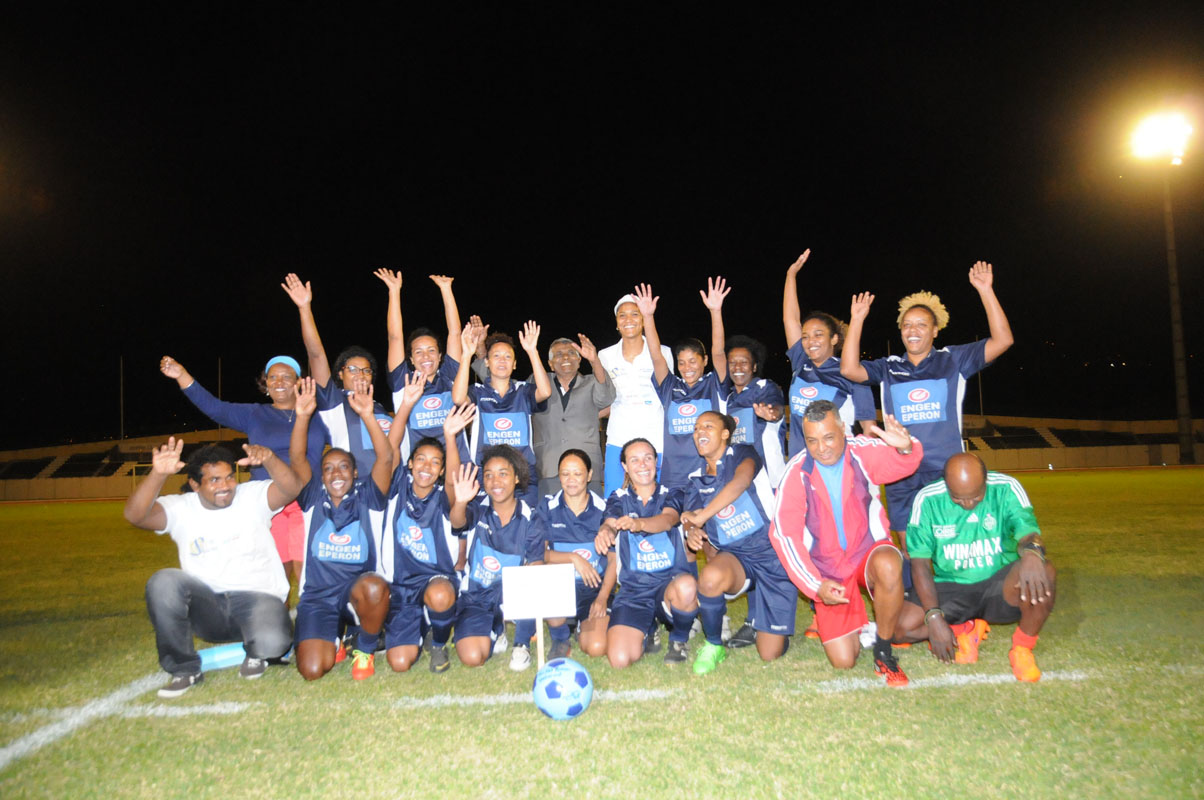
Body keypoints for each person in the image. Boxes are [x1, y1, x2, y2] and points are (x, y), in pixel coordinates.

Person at [840, 261, 1014, 537]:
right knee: (909, 544)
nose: (913, 330)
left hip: (946, 469)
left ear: (935, 330)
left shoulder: (953, 360)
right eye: (907, 325)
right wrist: (858, 320)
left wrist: (985, 290)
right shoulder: (888, 366)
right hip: (901, 469)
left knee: (951, 542)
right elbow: (849, 369)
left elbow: (1003, 340)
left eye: (922, 325)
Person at [123, 438, 302, 698]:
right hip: (209, 608)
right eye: (214, 480)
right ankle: (185, 669)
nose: (226, 486)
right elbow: (135, 515)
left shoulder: (251, 496)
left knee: (274, 643)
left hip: (257, 602)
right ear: (195, 484)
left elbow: (292, 488)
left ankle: (257, 652)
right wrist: (158, 474)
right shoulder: (181, 507)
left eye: (229, 477)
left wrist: (270, 459)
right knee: (164, 581)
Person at [769, 400, 925, 686]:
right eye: (812, 440)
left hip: (868, 555)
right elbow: (784, 536)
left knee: (890, 564)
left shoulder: (861, 451)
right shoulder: (796, 473)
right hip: (830, 570)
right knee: (844, 661)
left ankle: (883, 650)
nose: (822, 448)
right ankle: (865, 625)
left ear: (843, 428)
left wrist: (905, 447)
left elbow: (904, 460)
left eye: (829, 437)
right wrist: (816, 586)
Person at [160, 354, 328, 584]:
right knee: (274, 573)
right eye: (273, 377)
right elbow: (214, 407)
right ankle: (276, 617)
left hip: (310, 501)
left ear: (299, 382)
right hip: (269, 501)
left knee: (308, 573)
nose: (279, 382)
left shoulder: (320, 416)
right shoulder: (255, 414)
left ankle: (311, 618)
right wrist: (182, 375)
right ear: (265, 383)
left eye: (287, 376)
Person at [900, 453, 1056, 682]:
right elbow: (920, 564)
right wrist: (934, 617)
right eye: (957, 498)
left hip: (999, 584)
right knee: (899, 627)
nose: (967, 505)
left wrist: (1033, 553)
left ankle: (1022, 650)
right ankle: (965, 629)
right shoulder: (928, 499)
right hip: (953, 585)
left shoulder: (1005, 487)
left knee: (1045, 571)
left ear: (986, 480)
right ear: (946, 484)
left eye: (975, 497)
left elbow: (1029, 533)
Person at [289, 377, 394, 681]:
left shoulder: (368, 496)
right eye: (328, 468)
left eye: (344, 467)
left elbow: (386, 457)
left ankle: (365, 648)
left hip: (356, 595)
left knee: (374, 586)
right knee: (312, 670)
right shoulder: (311, 499)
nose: (336, 473)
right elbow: (297, 458)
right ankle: (333, 637)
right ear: (320, 476)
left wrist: (367, 415)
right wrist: (303, 416)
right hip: (318, 598)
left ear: (355, 472)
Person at [681, 412, 796, 674]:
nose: (700, 432)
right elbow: (688, 517)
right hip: (737, 559)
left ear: (725, 434)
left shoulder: (743, 452)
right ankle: (713, 645)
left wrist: (702, 516)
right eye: (696, 428)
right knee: (709, 578)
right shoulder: (695, 478)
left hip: (773, 556)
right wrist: (691, 530)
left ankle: (768, 622)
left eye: (708, 426)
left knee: (769, 654)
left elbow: (741, 482)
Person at [379, 376, 476, 674]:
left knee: (440, 596)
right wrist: (406, 404)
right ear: (410, 464)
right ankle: (418, 623)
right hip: (402, 586)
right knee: (399, 662)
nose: (426, 467)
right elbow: (389, 448)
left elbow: (452, 480)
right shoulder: (397, 488)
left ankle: (438, 643)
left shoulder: (443, 495)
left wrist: (450, 436)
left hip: (436, 580)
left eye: (435, 462)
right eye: (421, 459)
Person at [595, 438, 699, 668]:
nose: (642, 465)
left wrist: (638, 524)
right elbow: (611, 521)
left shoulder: (672, 494)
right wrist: (605, 530)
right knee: (619, 660)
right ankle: (648, 629)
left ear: (656, 462)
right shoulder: (618, 498)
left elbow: (667, 520)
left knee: (687, 586)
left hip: (668, 586)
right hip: (634, 591)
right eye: (634, 460)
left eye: (648, 458)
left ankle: (679, 639)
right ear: (625, 466)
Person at [281, 273, 395, 475]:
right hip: (356, 490)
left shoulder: (380, 408)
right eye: (352, 369)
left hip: (392, 491)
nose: (360, 374)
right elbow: (316, 355)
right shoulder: (334, 401)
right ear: (340, 375)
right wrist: (304, 309)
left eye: (366, 370)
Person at [514, 450, 616, 666]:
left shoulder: (604, 509)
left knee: (597, 647)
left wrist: (602, 598)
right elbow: (537, 554)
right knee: (533, 574)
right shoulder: (547, 507)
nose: (571, 480)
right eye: (565, 474)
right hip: (559, 588)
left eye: (577, 474)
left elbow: (615, 561)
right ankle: (558, 636)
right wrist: (573, 558)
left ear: (589, 475)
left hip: (593, 590)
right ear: (558, 476)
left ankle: (581, 625)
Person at [447, 445, 545, 668]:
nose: (495, 481)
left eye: (503, 474)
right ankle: (496, 628)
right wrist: (460, 501)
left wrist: (527, 594)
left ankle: (521, 645)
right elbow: (457, 522)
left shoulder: (531, 517)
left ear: (517, 478)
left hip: (512, 592)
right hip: (476, 594)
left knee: (533, 577)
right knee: (472, 657)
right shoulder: (478, 507)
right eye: (489, 475)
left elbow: (537, 563)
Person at [635, 278, 731, 488]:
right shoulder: (670, 387)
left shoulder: (714, 384)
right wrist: (647, 317)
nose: (687, 368)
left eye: (693, 361)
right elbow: (656, 356)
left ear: (704, 361)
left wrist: (716, 311)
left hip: (709, 473)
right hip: (673, 477)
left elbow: (719, 352)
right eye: (681, 363)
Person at [782, 249, 876, 457]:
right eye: (805, 336)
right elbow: (791, 320)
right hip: (801, 466)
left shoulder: (850, 373)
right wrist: (791, 275)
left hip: (838, 466)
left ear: (834, 339)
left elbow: (869, 430)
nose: (810, 341)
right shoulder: (801, 362)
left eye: (818, 335)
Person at [453, 321, 552, 509]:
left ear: (514, 364)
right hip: (486, 472)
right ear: (487, 363)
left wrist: (532, 351)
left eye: (508, 357)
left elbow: (545, 391)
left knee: (524, 526)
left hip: (522, 473)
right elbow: (458, 398)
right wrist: (466, 355)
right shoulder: (478, 392)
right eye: (496, 356)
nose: (502, 360)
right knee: (486, 526)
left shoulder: (523, 391)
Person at [375, 269, 469, 462]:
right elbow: (394, 337)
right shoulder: (404, 382)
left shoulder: (451, 375)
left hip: (457, 467)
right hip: (418, 471)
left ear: (441, 355)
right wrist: (394, 291)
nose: (425, 356)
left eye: (431, 350)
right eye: (418, 351)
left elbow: (454, 333)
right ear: (410, 358)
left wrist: (446, 289)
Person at [597, 294, 674, 497]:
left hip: (655, 438)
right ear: (616, 323)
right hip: (618, 437)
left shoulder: (663, 352)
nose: (628, 320)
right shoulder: (605, 355)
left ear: (643, 319)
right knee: (615, 497)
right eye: (622, 315)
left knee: (655, 499)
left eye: (635, 314)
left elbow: (669, 396)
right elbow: (605, 399)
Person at [531, 336, 616, 497]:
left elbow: (606, 397)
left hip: (587, 467)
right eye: (559, 354)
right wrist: (481, 355)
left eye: (571, 353)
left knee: (591, 520)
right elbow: (505, 388)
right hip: (548, 467)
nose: (565, 357)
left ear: (579, 360)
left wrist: (594, 360)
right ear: (550, 363)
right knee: (548, 519)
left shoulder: (592, 382)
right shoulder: (538, 382)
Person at [722, 334, 787, 485]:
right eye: (732, 363)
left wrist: (772, 413)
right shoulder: (728, 400)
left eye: (744, 362)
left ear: (754, 366)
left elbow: (776, 407)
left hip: (769, 478)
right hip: (741, 479)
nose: (737, 367)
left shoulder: (764, 388)